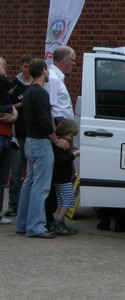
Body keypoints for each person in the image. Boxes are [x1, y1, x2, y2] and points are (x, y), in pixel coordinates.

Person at [15, 58, 69, 238]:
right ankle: (36, 227)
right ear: (44, 70)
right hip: (41, 143)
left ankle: (22, 224)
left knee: (29, 184)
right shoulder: (41, 93)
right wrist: (57, 140)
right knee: (41, 187)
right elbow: (46, 122)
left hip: (30, 141)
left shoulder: (29, 92)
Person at [43, 45, 76, 229]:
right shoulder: (54, 80)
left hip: (63, 133)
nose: (74, 65)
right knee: (57, 178)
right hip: (59, 135)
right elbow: (51, 110)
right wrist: (57, 138)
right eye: (73, 61)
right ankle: (50, 220)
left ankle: (52, 219)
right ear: (65, 61)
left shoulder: (57, 78)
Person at [5, 53, 35, 217]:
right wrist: (21, 104)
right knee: (16, 172)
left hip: (32, 134)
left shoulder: (36, 84)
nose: (27, 70)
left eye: (30, 67)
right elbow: (7, 105)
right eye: (25, 66)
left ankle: (28, 204)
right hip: (18, 134)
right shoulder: (13, 84)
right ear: (21, 66)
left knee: (31, 172)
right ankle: (13, 205)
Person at [50, 119, 79, 235]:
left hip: (60, 178)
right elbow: (60, 160)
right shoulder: (60, 145)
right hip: (63, 178)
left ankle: (60, 222)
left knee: (63, 201)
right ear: (65, 131)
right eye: (70, 135)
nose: (71, 138)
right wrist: (73, 155)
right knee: (69, 200)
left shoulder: (59, 143)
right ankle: (59, 222)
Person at [0, 59, 18, 225]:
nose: (4, 69)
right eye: (2, 66)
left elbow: (13, 109)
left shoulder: (4, 88)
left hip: (6, 134)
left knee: (2, 178)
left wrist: (13, 116)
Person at [0, 56, 20, 150]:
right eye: (3, 68)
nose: (5, 71)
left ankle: (13, 137)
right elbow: (11, 93)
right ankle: (13, 137)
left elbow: (14, 111)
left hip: (5, 134)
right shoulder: (5, 81)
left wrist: (12, 118)